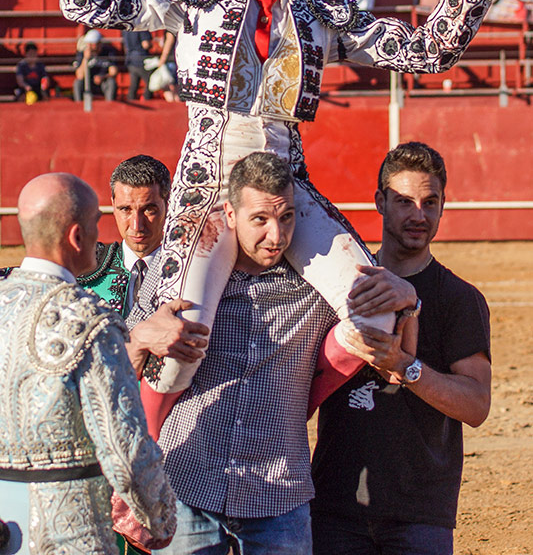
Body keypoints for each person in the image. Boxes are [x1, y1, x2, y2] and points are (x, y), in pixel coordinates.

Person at [58, 0, 497, 406]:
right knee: (175, 353)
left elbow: (425, 52)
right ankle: (148, 451)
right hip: (208, 190)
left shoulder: (322, 12)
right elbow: (85, 3)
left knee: (377, 319)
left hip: (286, 187)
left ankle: (288, 409)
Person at [125, 151, 418, 555]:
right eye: (260, 219)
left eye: (287, 217)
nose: (276, 235)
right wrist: (140, 338)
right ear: (230, 214)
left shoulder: (319, 287)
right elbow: (118, 364)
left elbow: (392, 362)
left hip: (278, 494)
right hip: (188, 482)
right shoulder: (178, 272)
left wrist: (409, 301)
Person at [311, 142, 492, 555]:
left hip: (419, 513)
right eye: (404, 201)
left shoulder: (459, 299)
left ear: (443, 206)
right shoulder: (339, 287)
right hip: (334, 506)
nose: (418, 215)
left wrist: (405, 367)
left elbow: (476, 405)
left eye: (430, 203)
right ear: (380, 202)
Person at [0, 172, 176, 554]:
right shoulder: (91, 321)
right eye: (97, 224)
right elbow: (123, 447)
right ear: (77, 236)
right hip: (73, 532)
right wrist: (160, 518)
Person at [79, 154, 170, 317]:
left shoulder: (189, 269)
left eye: (149, 210)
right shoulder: (84, 265)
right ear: (113, 205)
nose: (137, 226)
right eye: (125, 209)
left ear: (168, 205)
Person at [73, 28, 118, 102]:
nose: (91, 47)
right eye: (89, 44)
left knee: (111, 82)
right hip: (87, 82)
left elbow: (113, 72)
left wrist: (102, 77)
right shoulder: (82, 53)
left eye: (93, 44)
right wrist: (85, 59)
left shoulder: (108, 52)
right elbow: (80, 76)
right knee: (77, 83)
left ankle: (110, 104)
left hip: (103, 82)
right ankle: (79, 105)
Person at [123, 30, 154, 100]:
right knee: (150, 83)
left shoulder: (126, 29)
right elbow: (146, 45)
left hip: (130, 59)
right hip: (141, 59)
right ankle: (147, 100)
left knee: (133, 85)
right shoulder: (142, 29)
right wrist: (151, 45)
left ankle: (131, 101)